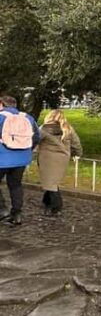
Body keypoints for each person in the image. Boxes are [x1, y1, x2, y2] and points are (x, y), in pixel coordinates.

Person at [0, 94, 41, 225]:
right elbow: (36, 137)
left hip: (2, 157)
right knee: (16, 185)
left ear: (1, 104)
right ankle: (17, 214)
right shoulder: (28, 117)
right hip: (22, 159)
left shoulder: (1, 117)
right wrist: (26, 150)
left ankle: (2, 210)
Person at [37, 110, 82, 215]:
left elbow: (35, 140)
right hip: (62, 158)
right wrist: (77, 154)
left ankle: (56, 207)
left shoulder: (43, 128)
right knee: (53, 181)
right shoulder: (68, 129)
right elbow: (76, 144)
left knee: (50, 182)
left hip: (46, 158)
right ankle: (47, 200)